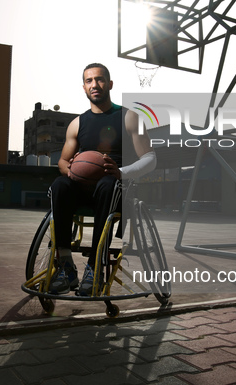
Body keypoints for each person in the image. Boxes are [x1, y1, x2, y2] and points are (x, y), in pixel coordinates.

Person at [48, 63, 156, 296]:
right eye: (89, 81)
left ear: (109, 84)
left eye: (99, 80)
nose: (94, 85)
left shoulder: (129, 117)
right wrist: (72, 170)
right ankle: (66, 266)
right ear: (84, 87)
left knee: (107, 183)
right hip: (82, 188)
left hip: (114, 189)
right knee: (59, 185)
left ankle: (95, 267)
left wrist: (121, 172)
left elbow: (150, 158)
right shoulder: (77, 123)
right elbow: (62, 162)